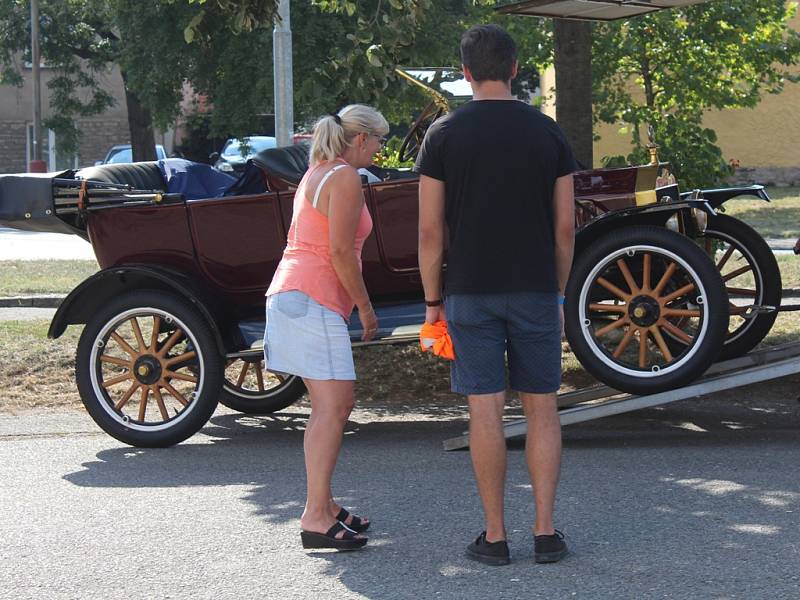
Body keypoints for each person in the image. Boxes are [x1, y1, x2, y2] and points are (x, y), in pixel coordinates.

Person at [415, 24, 576, 565]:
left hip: (468, 292)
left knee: (484, 413)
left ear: (465, 73)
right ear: (514, 69)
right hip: (534, 289)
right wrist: (557, 292)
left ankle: (495, 537)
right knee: (543, 410)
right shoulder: (548, 132)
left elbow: (430, 231)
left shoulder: (443, 134)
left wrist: (432, 302)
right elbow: (565, 227)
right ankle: (546, 533)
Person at [263, 104, 389, 551]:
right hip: (311, 297)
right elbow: (339, 252)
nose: (379, 150)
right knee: (334, 407)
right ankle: (316, 515)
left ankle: (325, 504)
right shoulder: (344, 179)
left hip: (297, 295)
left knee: (328, 407)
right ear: (360, 139)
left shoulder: (319, 171)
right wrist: (366, 308)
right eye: (379, 141)